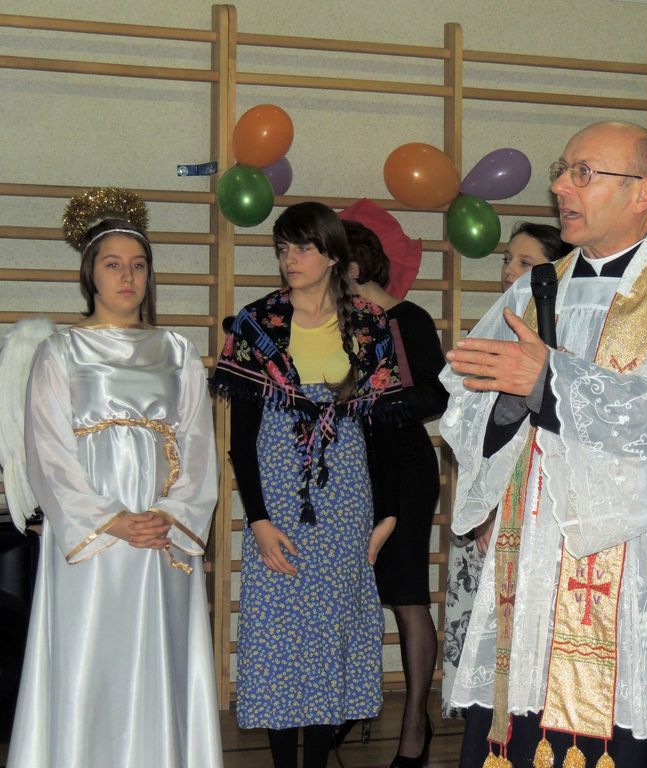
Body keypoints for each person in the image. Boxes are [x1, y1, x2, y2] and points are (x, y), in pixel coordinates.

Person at [441, 121, 647, 768]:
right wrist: (507, 404)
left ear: (641, 193)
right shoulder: (532, 289)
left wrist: (548, 382)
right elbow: (468, 402)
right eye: (562, 170)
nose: (560, 186)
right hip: (535, 558)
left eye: (582, 173)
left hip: (640, 563)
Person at [6, 188, 222, 767]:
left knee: (159, 654)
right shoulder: (60, 351)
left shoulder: (177, 351)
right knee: (90, 655)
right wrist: (111, 520)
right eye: (113, 264)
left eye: (138, 265)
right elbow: (48, 453)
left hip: (161, 537)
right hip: (94, 538)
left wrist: (169, 517)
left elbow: (199, 446)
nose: (128, 277)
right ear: (91, 275)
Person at [212, 202, 400, 768]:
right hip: (277, 504)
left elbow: (386, 430)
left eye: (302, 248)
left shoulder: (369, 324)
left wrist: (387, 513)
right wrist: (258, 520)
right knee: (277, 639)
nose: (289, 259)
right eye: (282, 249)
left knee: (329, 637)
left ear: (333, 255)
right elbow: (241, 441)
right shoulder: (255, 324)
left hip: (346, 501)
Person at [442, 221, 569, 718]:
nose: (510, 271)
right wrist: (482, 507)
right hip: (492, 501)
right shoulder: (499, 326)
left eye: (525, 263)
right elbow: (478, 432)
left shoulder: (569, 328)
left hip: (538, 502)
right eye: (507, 260)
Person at [343, 219, 449, 768]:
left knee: (407, 595)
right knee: (348, 590)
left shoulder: (409, 318)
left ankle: (414, 724)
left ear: (352, 267)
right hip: (352, 468)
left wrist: (374, 401)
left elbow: (436, 395)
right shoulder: (334, 323)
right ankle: (345, 705)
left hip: (404, 466)